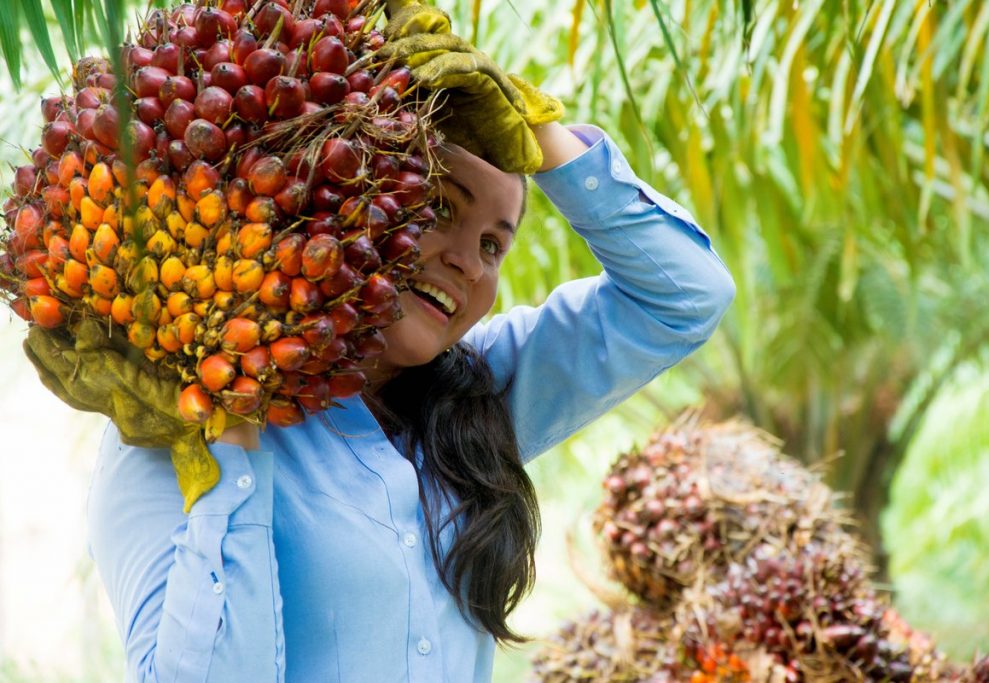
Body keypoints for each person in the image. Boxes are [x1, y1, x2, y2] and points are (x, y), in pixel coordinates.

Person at [24, 4, 735, 681]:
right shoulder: (164, 434)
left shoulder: (481, 401)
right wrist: (231, 430)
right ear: (341, 199)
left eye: (494, 244)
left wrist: (537, 133)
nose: (469, 260)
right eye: (437, 207)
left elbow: (685, 296)